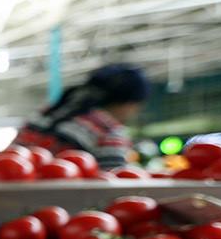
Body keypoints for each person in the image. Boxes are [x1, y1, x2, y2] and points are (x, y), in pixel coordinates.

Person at [14, 63, 150, 169]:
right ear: (129, 103)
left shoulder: (43, 114)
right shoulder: (109, 133)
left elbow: (9, 157)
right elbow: (111, 187)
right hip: (63, 201)